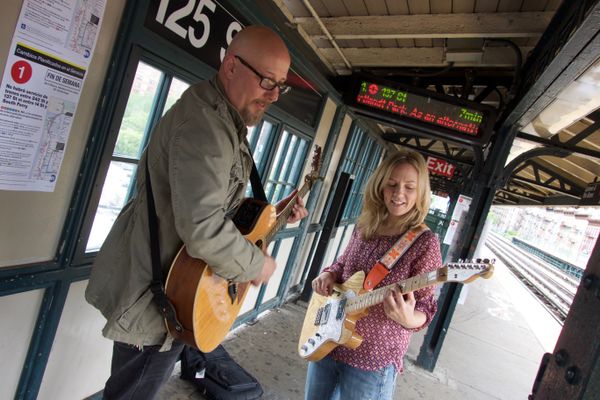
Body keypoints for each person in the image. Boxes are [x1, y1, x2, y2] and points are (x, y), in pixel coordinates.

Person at [85, 25, 308, 400]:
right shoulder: (206, 127)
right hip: (154, 300)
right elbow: (203, 227)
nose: (273, 96)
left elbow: (212, 208)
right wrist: (257, 266)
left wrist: (276, 216)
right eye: (267, 81)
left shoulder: (224, 120)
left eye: (280, 86)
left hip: (175, 293)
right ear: (231, 66)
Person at [304, 150, 442, 400]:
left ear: (420, 192)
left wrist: (408, 318)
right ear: (380, 186)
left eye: (409, 187)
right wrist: (327, 275)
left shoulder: (425, 243)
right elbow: (342, 264)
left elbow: (426, 307)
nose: (399, 193)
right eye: (392, 184)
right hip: (327, 341)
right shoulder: (365, 225)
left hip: (371, 360)